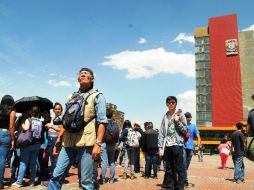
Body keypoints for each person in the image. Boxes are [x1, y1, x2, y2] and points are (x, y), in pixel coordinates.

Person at [48, 67, 107, 190]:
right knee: (56, 175)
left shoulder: (98, 96)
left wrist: (98, 144)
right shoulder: (71, 96)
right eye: (80, 74)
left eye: (86, 74)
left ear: (92, 78)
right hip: (68, 141)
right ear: (77, 79)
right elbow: (66, 120)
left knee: (86, 181)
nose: (83, 75)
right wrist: (58, 140)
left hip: (86, 142)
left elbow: (102, 122)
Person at [158, 96, 187, 190]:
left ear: (176, 103)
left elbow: (185, 130)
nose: (171, 104)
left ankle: (180, 187)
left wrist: (177, 122)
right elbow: (161, 132)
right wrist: (160, 147)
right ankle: (170, 187)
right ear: (166, 104)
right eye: (169, 102)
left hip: (177, 145)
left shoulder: (181, 115)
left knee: (180, 168)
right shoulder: (165, 116)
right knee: (169, 169)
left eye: (173, 102)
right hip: (168, 145)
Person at [12, 106, 44, 187]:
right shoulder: (40, 122)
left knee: (23, 163)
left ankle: (19, 182)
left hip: (27, 144)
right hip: (37, 144)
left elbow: (26, 128)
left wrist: (23, 124)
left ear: (31, 112)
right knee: (33, 163)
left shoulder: (29, 120)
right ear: (38, 113)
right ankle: (32, 182)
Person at [100, 108, 118, 184]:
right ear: (112, 115)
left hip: (104, 143)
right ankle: (111, 179)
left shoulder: (103, 123)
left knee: (104, 162)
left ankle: (103, 179)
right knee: (112, 162)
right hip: (112, 144)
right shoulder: (115, 124)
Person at [0, 95, 15, 189]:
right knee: (2, 159)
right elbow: (11, 127)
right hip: (6, 134)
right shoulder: (12, 112)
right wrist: (13, 140)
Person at [45, 102, 63, 177]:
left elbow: (61, 130)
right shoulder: (53, 118)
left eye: (59, 109)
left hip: (56, 139)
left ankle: (54, 176)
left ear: (61, 110)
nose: (57, 110)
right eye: (56, 109)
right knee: (52, 159)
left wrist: (51, 126)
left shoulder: (61, 118)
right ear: (53, 110)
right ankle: (53, 175)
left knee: (55, 160)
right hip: (50, 139)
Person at [183, 112, 201, 188]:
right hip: (183, 147)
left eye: (190, 117)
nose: (189, 118)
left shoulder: (193, 126)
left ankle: (183, 178)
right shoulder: (181, 125)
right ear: (185, 118)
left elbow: (198, 136)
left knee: (186, 166)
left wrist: (198, 145)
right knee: (183, 165)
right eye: (187, 117)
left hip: (190, 148)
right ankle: (185, 181)